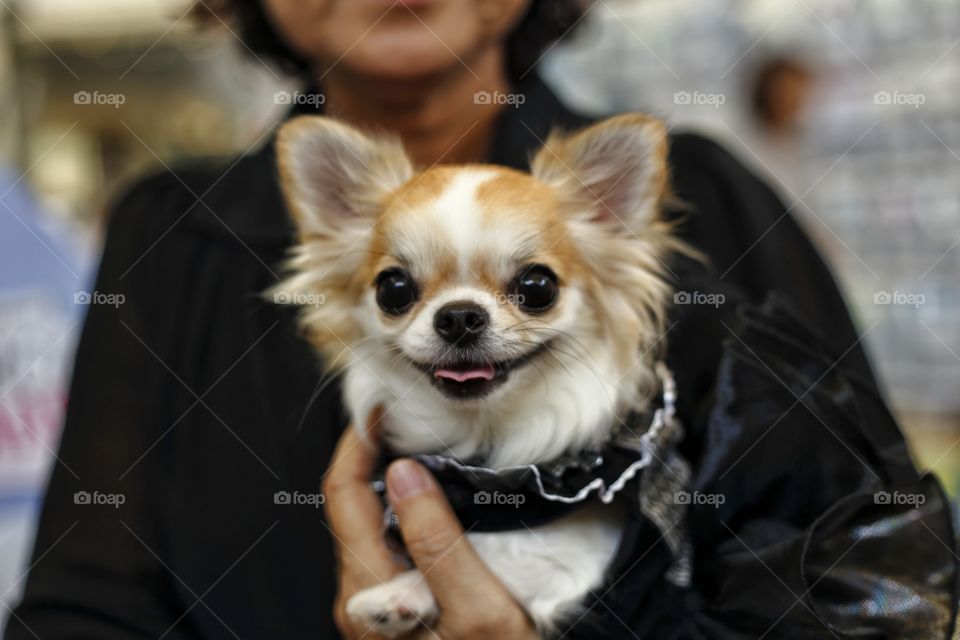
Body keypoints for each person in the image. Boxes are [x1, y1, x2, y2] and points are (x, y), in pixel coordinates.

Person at [6, 1, 956, 638]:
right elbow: (88, 608)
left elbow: (875, 580)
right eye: (397, 288)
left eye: (533, 288)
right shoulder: (173, 237)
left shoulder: (711, 204)